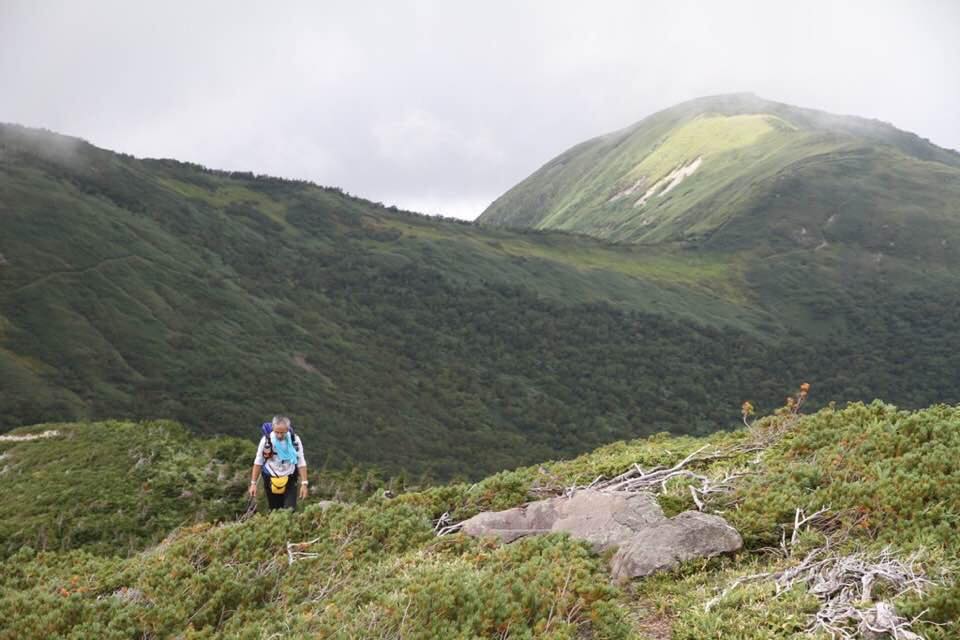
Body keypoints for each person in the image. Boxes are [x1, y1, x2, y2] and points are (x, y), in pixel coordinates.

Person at [248, 416, 308, 510]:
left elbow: (301, 461)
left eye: (282, 433)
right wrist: (253, 484)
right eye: (277, 432)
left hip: (290, 476)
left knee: (289, 510)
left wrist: (304, 484)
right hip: (270, 477)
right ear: (273, 428)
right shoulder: (266, 440)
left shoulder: (295, 440)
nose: (279, 435)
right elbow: (258, 461)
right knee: (274, 509)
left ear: (287, 430)